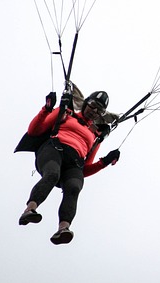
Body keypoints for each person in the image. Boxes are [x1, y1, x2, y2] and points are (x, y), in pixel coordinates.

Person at [18, 90, 121, 245]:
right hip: (53, 150)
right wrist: (46, 109)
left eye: (99, 111)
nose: (94, 111)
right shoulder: (66, 113)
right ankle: (29, 210)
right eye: (93, 106)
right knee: (52, 175)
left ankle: (63, 230)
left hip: (74, 163)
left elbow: (84, 168)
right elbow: (34, 130)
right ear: (86, 103)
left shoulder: (95, 136)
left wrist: (104, 162)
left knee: (74, 187)